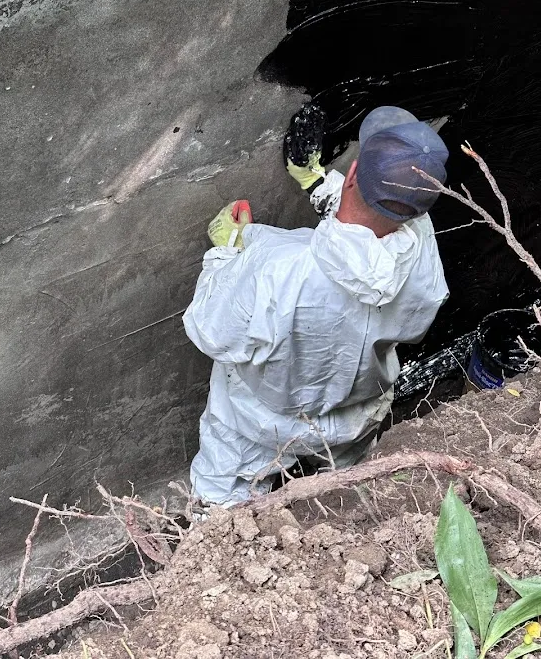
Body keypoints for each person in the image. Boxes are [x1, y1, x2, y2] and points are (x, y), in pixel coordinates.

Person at [183, 106, 449, 506]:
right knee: (346, 489)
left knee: (221, 497)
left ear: (354, 173)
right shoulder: (425, 257)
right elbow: (379, 236)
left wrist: (226, 254)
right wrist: (318, 181)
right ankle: (337, 506)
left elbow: (211, 332)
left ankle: (215, 544)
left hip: (259, 421)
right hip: (353, 417)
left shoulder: (274, 265)